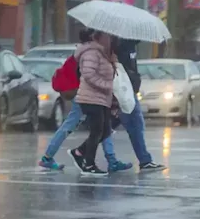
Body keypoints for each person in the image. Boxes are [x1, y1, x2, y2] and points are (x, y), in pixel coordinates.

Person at [38, 29, 131, 173]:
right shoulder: (90, 53)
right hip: (86, 94)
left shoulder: (97, 52)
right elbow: (88, 74)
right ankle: (49, 157)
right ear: (95, 38)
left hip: (89, 94)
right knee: (88, 127)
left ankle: (110, 159)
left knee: (101, 127)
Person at [68, 30, 118, 176]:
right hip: (90, 98)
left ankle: (79, 152)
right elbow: (89, 74)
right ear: (98, 37)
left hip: (102, 99)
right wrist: (106, 85)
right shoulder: (91, 52)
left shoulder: (104, 53)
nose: (110, 39)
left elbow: (111, 74)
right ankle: (89, 164)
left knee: (105, 131)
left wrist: (113, 60)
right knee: (97, 131)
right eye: (107, 36)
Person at [114, 38, 165, 171]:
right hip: (124, 91)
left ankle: (83, 152)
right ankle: (144, 160)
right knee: (135, 125)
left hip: (130, 91)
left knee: (112, 126)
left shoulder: (131, 46)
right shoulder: (119, 45)